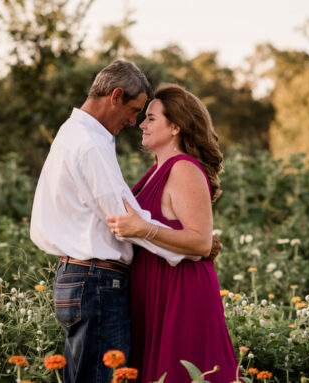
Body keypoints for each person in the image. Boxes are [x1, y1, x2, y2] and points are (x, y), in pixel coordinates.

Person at [30, 60, 218, 383]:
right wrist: (194, 246)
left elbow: (133, 221)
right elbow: (126, 220)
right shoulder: (89, 145)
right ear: (115, 96)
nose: (135, 122)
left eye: (147, 116)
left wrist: (194, 240)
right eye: (135, 111)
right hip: (96, 281)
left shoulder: (75, 134)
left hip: (86, 278)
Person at [106, 83, 238, 383]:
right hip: (154, 291)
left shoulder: (184, 168)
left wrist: (144, 229)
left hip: (180, 293)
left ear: (176, 126)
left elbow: (201, 242)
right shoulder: (155, 171)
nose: (142, 123)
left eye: (151, 118)